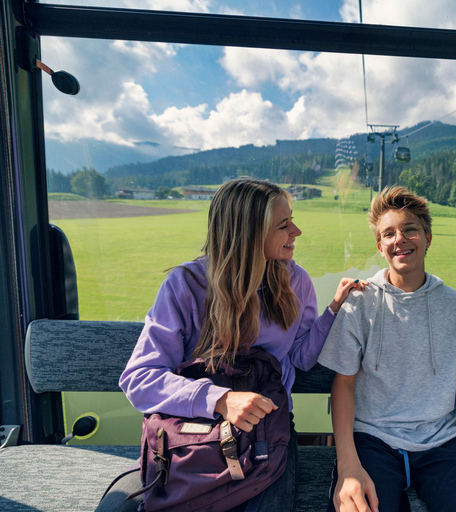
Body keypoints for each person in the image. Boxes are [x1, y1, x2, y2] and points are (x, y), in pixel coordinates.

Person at [96, 178, 367, 512]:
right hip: (191, 436)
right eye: (283, 225)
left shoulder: (295, 282)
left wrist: (333, 310)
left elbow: (301, 357)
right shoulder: (186, 286)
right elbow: (139, 378)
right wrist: (220, 399)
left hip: (267, 433)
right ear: (249, 235)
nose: (296, 231)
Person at [318, 186, 456, 512]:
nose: (400, 239)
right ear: (380, 247)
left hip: (443, 442)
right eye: (389, 234)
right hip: (373, 439)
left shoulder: (455, 306)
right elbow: (343, 385)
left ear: (428, 237)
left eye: (410, 229)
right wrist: (348, 467)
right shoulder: (362, 302)